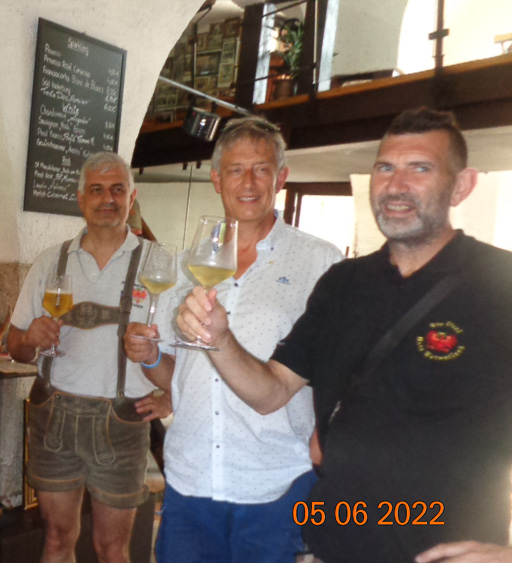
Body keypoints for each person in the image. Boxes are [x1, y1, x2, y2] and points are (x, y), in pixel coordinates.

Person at [177, 107, 512, 563]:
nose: (396, 185)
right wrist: (219, 338)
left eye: (420, 169)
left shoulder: (499, 283)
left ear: (461, 186)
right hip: (337, 542)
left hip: (443, 549)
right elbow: (271, 392)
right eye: (385, 168)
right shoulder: (343, 283)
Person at [125, 117, 343, 563]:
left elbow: (342, 368)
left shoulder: (320, 261)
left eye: (261, 169)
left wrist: (330, 436)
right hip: (190, 478)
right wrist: (149, 358)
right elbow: (177, 378)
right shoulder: (187, 265)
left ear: (281, 178)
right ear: (216, 180)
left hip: (277, 482)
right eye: (236, 170)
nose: (248, 182)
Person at [8, 151, 158, 563]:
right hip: (54, 414)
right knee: (57, 537)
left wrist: (171, 396)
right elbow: (14, 346)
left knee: (112, 548)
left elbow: (183, 350)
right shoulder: (50, 261)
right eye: (96, 190)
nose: (107, 199)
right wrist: (29, 338)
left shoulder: (157, 264)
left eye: (117, 189)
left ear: (132, 196)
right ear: (80, 199)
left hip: (122, 421)